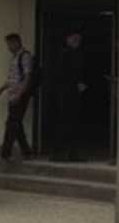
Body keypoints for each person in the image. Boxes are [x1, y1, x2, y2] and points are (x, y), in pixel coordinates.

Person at [0, 33, 35, 161]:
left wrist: (19, 94)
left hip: (19, 95)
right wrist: (0, 90)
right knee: (16, 124)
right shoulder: (15, 58)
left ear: (16, 42)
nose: (8, 47)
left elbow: (27, 77)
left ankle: (5, 153)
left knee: (11, 124)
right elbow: (11, 80)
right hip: (12, 95)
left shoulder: (25, 57)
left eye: (10, 44)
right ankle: (27, 151)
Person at [51, 30, 88, 162]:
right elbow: (61, 74)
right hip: (64, 93)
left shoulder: (78, 54)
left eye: (79, 39)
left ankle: (72, 153)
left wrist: (81, 83)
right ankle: (59, 153)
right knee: (63, 123)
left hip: (74, 94)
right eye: (74, 38)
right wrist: (75, 83)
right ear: (67, 39)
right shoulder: (63, 54)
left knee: (74, 124)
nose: (77, 41)